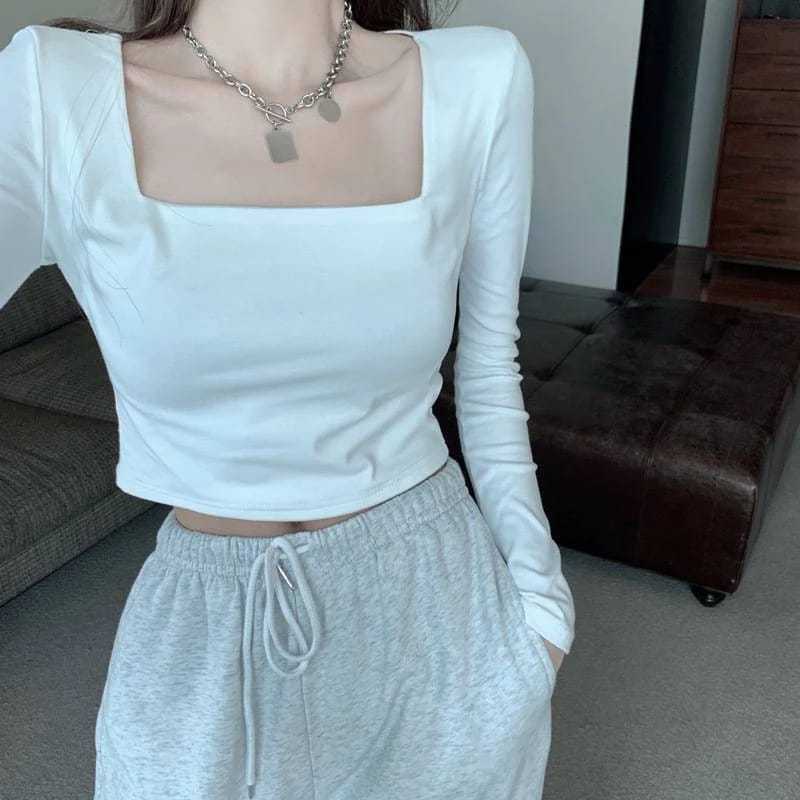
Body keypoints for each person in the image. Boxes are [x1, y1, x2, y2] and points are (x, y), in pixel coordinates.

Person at [0, 0, 576, 797]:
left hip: (438, 609)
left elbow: (488, 368)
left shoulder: (478, 78)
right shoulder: (54, 88)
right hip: (200, 634)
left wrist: (543, 608)